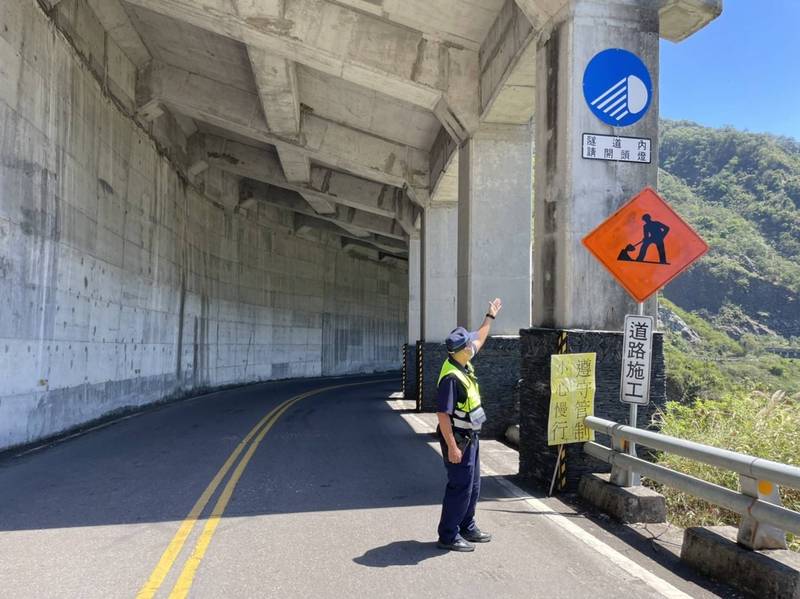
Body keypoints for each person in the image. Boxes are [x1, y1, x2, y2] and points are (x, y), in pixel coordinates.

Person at [435, 298, 502, 552]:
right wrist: (452, 447)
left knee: (473, 486)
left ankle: (467, 525)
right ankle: (448, 535)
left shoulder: (462, 360)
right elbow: (442, 415)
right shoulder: (450, 377)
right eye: (469, 345)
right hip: (458, 439)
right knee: (460, 486)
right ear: (461, 350)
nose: (473, 347)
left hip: (470, 436)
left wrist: (490, 316)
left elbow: (481, 337)